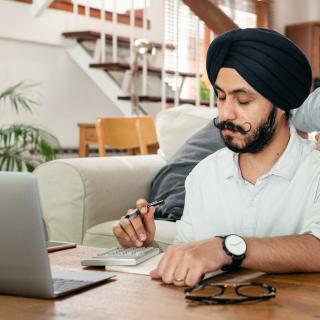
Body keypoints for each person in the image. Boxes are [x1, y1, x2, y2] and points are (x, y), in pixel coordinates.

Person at [113, 28, 320, 286]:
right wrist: (145, 245)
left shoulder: (315, 172)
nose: (226, 114)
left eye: (243, 100)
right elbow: (190, 259)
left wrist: (227, 248)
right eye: (221, 97)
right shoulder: (204, 174)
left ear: (281, 105)